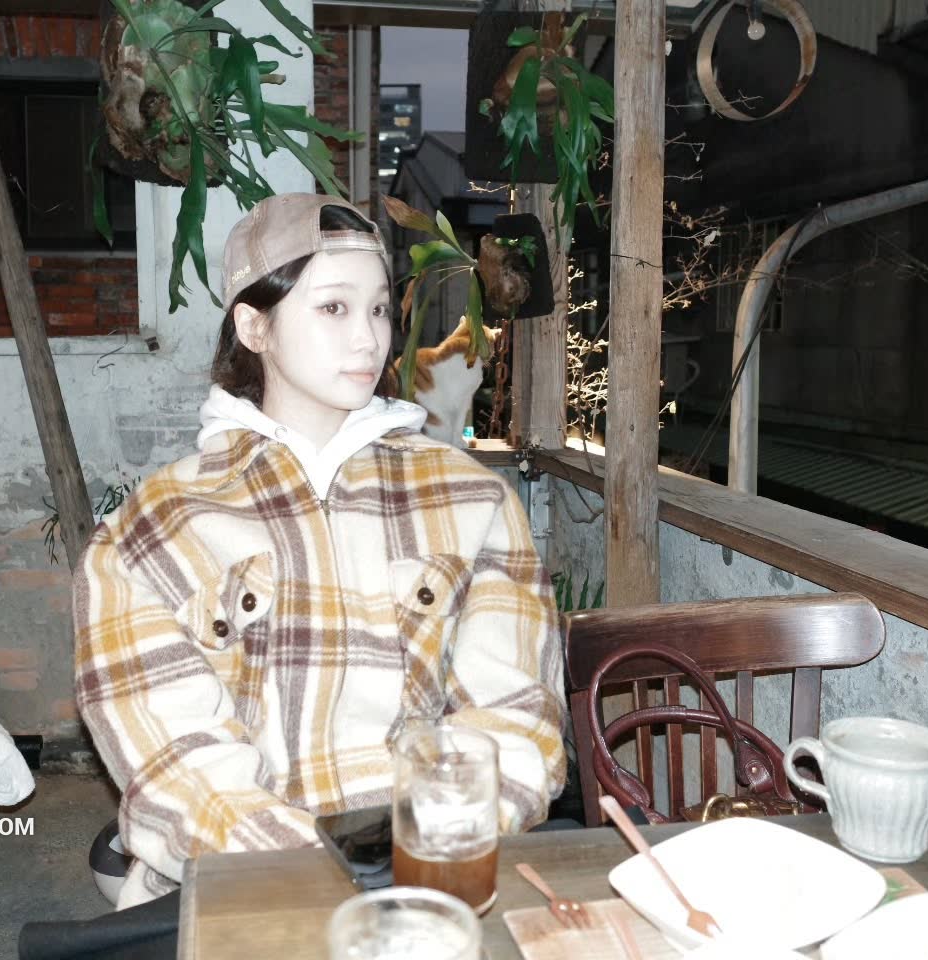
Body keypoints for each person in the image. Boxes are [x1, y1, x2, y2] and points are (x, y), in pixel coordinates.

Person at [72, 193, 567, 913]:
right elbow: (176, 762)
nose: (368, 339)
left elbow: (514, 715)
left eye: (378, 310)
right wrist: (318, 874)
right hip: (244, 894)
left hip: (437, 877)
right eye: (333, 308)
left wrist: (427, 852)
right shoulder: (153, 529)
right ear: (254, 325)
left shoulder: (470, 498)